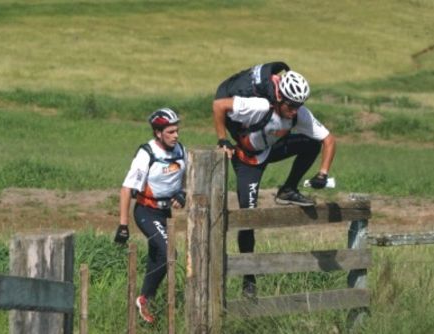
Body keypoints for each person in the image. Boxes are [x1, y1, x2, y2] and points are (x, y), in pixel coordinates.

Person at [213, 62, 336, 297]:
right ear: (279, 97)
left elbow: (329, 140)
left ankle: (287, 190)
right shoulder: (257, 106)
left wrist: (322, 173)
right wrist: (222, 140)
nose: (294, 111)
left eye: (298, 106)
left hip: (270, 149)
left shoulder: (298, 113)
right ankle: (249, 280)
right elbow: (219, 106)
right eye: (290, 105)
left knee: (311, 144)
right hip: (246, 160)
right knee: (248, 218)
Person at [114, 108, 187, 324]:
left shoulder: (180, 150)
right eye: (170, 132)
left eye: (177, 131)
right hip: (146, 211)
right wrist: (123, 225)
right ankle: (145, 298)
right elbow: (127, 189)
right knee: (169, 253)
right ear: (158, 133)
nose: (176, 136)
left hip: (166, 213)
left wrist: (183, 194)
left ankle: (145, 304)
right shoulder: (147, 153)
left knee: (158, 257)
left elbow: (189, 178)